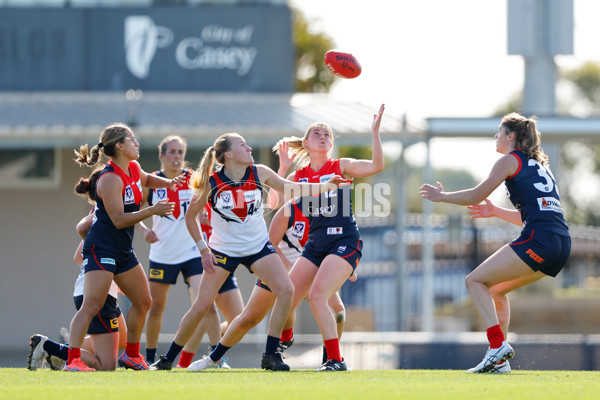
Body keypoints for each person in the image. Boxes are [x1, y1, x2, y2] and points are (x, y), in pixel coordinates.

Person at [149, 132, 347, 371]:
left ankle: (271, 355)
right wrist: (203, 250)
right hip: (223, 251)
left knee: (286, 290)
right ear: (229, 155)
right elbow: (190, 217)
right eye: (243, 145)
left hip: (258, 248)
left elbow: (291, 188)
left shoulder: (259, 172)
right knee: (201, 306)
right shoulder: (212, 182)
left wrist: (326, 186)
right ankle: (167, 359)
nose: (249, 148)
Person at [419, 112, 571, 374]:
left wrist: (441, 196)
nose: (495, 136)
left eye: (499, 132)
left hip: (540, 240)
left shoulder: (509, 161)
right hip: (561, 243)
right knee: (496, 290)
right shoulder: (540, 165)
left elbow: (476, 194)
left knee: (474, 281)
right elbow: (537, 215)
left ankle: (496, 347)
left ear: (511, 136)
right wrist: (496, 212)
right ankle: (499, 362)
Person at [268, 104, 386, 371]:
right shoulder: (301, 175)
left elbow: (377, 165)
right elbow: (274, 201)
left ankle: (335, 360)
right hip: (315, 244)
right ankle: (285, 339)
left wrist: (375, 133)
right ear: (307, 144)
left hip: (344, 240)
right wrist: (283, 168)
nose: (323, 136)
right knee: (286, 296)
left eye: (327, 134)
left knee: (320, 296)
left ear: (330, 144)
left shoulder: (340, 166)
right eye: (317, 133)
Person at [64, 123, 184, 372]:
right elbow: (118, 219)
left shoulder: (133, 167)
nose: (137, 144)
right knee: (92, 305)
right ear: (119, 145)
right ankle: (72, 360)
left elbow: (148, 179)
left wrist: (169, 183)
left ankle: (132, 355)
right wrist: (152, 210)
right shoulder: (109, 179)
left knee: (144, 301)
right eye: (132, 140)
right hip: (102, 249)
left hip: (122, 250)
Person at [137, 135, 242, 368]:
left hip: (194, 251)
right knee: (155, 308)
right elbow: (134, 209)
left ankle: (217, 358)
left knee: (206, 303)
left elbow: (208, 206)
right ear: (162, 155)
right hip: (162, 253)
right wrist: (144, 230)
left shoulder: (193, 180)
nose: (177, 157)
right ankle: (151, 358)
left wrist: (206, 215)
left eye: (180, 152)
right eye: (172, 152)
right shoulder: (153, 181)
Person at [27, 170, 127, 371]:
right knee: (106, 365)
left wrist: (116, 277)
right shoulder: (101, 214)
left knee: (122, 341)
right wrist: (108, 271)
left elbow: (79, 256)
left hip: (106, 292)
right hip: (97, 293)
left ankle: (61, 351)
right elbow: (81, 243)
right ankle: (49, 347)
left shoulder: (110, 211)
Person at [268, 199, 350, 364]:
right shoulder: (288, 210)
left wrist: (347, 265)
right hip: (287, 268)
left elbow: (337, 243)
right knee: (250, 318)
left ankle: (330, 358)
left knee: (339, 313)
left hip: (315, 269)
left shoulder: (327, 210)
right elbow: (271, 243)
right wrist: (290, 266)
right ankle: (283, 339)